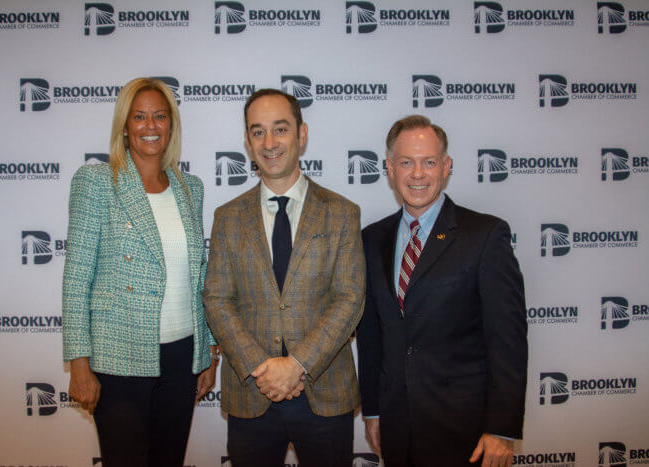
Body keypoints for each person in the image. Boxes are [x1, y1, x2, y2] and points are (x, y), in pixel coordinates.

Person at [203, 89, 366, 467]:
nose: (270, 142)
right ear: (246, 141)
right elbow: (216, 299)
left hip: (324, 394)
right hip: (251, 393)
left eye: (280, 129)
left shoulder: (341, 213)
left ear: (301, 135)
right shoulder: (228, 218)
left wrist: (296, 365)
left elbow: (350, 298)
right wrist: (263, 369)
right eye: (258, 132)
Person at [62, 77, 217, 467]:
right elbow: (77, 276)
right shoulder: (96, 182)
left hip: (182, 358)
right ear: (125, 126)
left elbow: (200, 276)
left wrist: (208, 352)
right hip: (118, 359)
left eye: (160, 116)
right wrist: (79, 362)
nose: (151, 126)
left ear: (171, 125)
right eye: (140, 117)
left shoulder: (190, 188)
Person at [356, 115, 528, 467]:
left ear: (446, 166)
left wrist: (501, 429)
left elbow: (507, 339)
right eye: (406, 162)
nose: (417, 174)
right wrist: (372, 410)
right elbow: (372, 335)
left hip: (467, 432)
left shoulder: (485, 235)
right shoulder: (372, 240)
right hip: (396, 426)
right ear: (390, 168)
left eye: (428, 162)